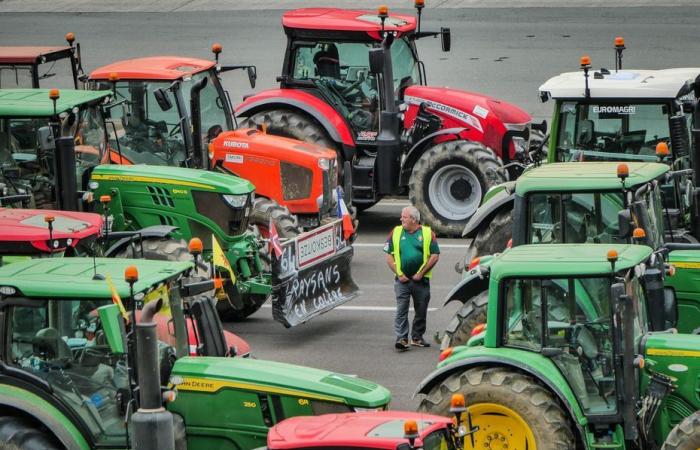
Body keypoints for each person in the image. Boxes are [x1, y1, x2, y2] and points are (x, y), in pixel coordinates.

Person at [384, 206, 440, 351]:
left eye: (404, 216)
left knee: (421, 310)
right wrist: (400, 274)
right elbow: (389, 255)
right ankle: (402, 338)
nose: (401, 219)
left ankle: (417, 337)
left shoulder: (428, 233)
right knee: (401, 310)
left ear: (414, 219)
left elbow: (435, 256)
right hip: (402, 281)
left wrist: (421, 274)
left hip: (420, 281)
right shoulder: (396, 232)